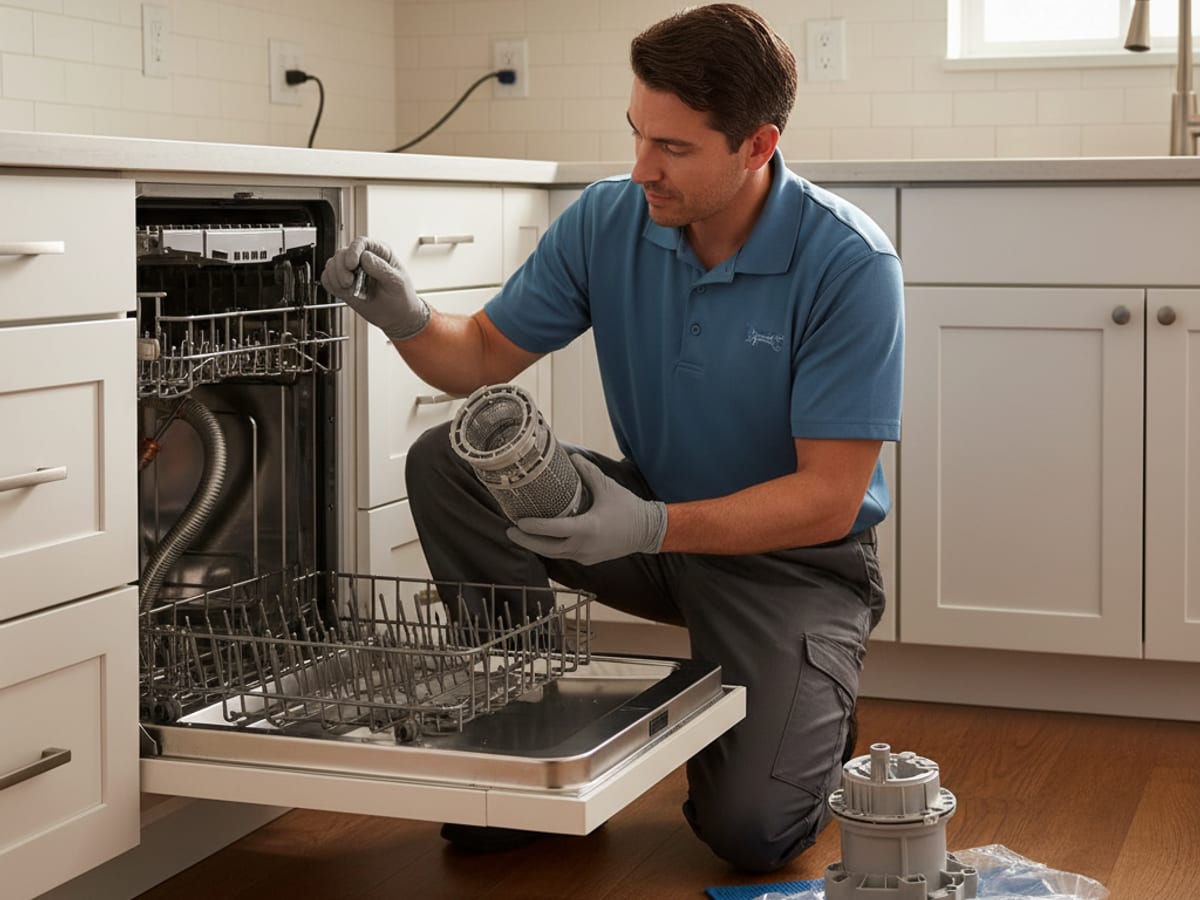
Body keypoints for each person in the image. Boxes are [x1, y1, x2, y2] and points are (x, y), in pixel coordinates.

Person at [321, 2, 903, 874]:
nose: (642, 169)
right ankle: (523, 726)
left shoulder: (849, 263)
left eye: (673, 148)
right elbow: (479, 355)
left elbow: (828, 499)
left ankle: (811, 714)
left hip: (794, 564)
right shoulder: (609, 220)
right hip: (648, 526)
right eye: (636, 133)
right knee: (450, 460)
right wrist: (406, 317)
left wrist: (653, 525)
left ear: (757, 145)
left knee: (751, 833)